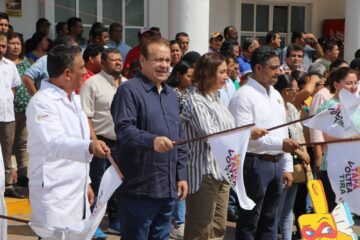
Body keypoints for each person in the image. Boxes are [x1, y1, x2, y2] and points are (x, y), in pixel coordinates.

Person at [182, 52, 267, 239]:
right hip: (203, 173)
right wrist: (246, 133)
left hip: (223, 172)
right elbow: (211, 135)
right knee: (200, 230)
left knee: (218, 229)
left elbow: (228, 129)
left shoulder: (216, 98)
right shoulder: (194, 99)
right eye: (221, 72)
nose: (226, 76)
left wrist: (245, 132)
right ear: (208, 73)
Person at [26, 45, 109, 232]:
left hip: (76, 190)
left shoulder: (75, 99)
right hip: (55, 192)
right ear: (67, 73)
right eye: (81, 67)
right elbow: (55, 143)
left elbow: (77, 138)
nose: (85, 71)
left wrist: (86, 182)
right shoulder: (42, 102)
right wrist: (90, 146)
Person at [111, 37, 187, 240]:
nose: (164, 65)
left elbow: (179, 137)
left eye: (168, 60)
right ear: (142, 61)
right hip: (140, 189)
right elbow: (124, 130)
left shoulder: (171, 95)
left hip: (168, 188)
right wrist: (152, 141)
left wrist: (181, 175)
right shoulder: (128, 91)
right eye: (158, 60)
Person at [228, 46, 299, 239]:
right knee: (250, 220)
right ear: (258, 68)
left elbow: (284, 130)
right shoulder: (243, 96)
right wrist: (280, 146)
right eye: (274, 68)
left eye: (279, 67)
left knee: (270, 220)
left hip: (276, 164)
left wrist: (287, 166)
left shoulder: (276, 94)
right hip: (254, 164)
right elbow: (242, 137)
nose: (279, 72)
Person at [80, 48, 127, 238]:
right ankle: (93, 223)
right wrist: (94, 140)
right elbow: (86, 116)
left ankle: (115, 221)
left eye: (120, 59)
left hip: (123, 143)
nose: (118, 62)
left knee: (118, 184)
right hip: (101, 142)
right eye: (113, 60)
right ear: (103, 63)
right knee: (98, 184)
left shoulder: (127, 84)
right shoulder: (92, 84)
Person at [273, 74, 310, 240]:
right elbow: (284, 139)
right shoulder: (276, 108)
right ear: (286, 90)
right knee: (276, 210)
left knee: (288, 210)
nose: (297, 91)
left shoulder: (293, 108)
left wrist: (305, 155)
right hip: (282, 162)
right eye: (294, 88)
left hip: (296, 164)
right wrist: (300, 152)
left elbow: (299, 133)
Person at [316, 67, 358, 212]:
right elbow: (328, 137)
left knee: (350, 211)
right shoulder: (330, 106)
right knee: (336, 210)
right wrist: (355, 137)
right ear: (336, 84)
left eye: (355, 83)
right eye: (348, 83)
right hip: (335, 166)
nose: (353, 87)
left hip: (355, 166)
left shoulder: (357, 105)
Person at [166, 59, 194, 239]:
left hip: (189, 144)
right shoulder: (173, 94)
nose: (192, 79)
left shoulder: (190, 93)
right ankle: (178, 222)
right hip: (175, 142)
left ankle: (179, 220)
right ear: (178, 75)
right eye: (189, 76)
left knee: (183, 182)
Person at [6, 31, 32, 188]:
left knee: (24, 143)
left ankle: (24, 175)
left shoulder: (26, 62)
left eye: (18, 43)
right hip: (8, 111)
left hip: (25, 109)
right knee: (8, 144)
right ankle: (7, 175)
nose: (16, 47)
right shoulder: (4, 64)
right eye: (12, 43)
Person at [0, 31, 22, 198]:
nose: (1, 49)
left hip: (7, 116)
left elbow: (14, 87)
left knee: (7, 151)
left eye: (3, 46)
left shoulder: (10, 65)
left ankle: (8, 184)